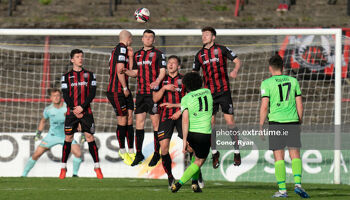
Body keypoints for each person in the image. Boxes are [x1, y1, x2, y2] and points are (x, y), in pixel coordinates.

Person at [260, 54, 309, 198]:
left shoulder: (266, 83)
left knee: (278, 156)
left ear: (270, 68)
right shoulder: (293, 81)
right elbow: (300, 104)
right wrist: (299, 120)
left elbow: (264, 107)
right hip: (292, 121)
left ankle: (282, 190)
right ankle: (298, 184)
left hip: (276, 122)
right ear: (283, 67)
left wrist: (261, 125)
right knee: (295, 154)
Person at [192, 26, 241, 169]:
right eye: (203, 35)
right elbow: (195, 74)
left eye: (207, 34)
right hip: (208, 94)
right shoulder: (199, 55)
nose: (204, 37)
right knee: (210, 125)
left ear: (213, 37)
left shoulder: (222, 49)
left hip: (224, 91)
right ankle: (215, 153)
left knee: (230, 123)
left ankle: (237, 152)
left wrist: (235, 70)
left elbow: (237, 61)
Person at [124, 29, 166, 167]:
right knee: (139, 123)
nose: (148, 39)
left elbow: (162, 71)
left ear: (153, 40)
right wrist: (125, 71)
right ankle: (139, 153)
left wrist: (157, 82)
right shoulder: (137, 55)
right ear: (142, 39)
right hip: (141, 93)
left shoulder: (159, 54)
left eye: (151, 37)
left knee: (155, 124)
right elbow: (135, 72)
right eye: (146, 37)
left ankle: (156, 153)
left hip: (153, 94)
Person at [60, 49, 103, 179]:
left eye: (81, 57)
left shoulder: (90, 75)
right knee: (68, 138)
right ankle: (63, 168)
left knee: (90, 137)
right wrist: (74, 108)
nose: (80, 59)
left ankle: (97, 167)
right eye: (77, 57)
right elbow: (66, 95)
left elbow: (92, 93)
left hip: (86, 112)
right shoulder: (66, 77)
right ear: (72, 60)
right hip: (71, 112)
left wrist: (81, 107)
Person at [22, 89, 82, 177]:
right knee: (36, 154)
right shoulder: (48, 110)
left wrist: (81, 130)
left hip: (66, 136)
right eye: (54, 96)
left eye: (58, 95)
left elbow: (78, 119)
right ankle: (23, 175)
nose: (56, 98)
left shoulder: (68, 107)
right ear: (50, 98)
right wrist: (38, 133)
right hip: (52, 136)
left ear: (61, 96)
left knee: (78, 153)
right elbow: (43, 121)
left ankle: (75, 174)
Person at [171, 72, 213, 193]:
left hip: (192, 133)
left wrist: (184, 140)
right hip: (204, 133)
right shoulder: (208, 92)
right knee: (199, 161)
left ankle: (195, 184)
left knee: (195, 157)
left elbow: (185, 120)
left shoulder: (186, 98)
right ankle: (179, 183)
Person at [152, 55, 185, 188]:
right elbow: (155, 98)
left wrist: (179, 109)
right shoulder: (161, 80)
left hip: (181, 115)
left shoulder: (184, 80)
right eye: (169, 63)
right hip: (165, 116)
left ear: (178, 66)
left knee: (189, 147)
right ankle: (170, 177)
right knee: (164, 149)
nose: (170, 65)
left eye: (173, 63)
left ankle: (196, 174)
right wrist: (164, 88)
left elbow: (190, 100)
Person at [106, 30, 135, 166]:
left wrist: (131, 57)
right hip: (117, 90)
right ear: (128, 38)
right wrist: (124, 87)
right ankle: (122, 150)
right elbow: (120, 69)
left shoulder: (119, 50)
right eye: (131, 39)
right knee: (123, 119)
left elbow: (129, 70)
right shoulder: (121, 48)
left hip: (123, 89)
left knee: (130, 118)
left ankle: (131, 149)